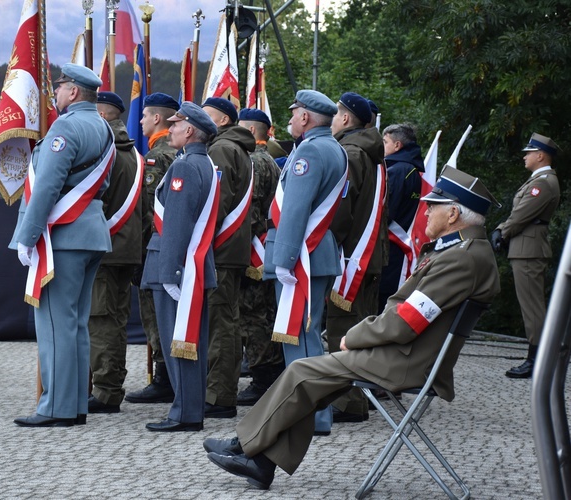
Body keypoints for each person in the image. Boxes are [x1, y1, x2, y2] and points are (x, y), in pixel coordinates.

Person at [203, 166, 501, 490]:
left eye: (434, 205)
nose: (425, 209)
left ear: (454, 213)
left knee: (302, 372)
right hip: (409, 354)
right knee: (315, 379)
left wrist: (355, 337)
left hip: (408, 361)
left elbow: (405, 322)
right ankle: (260, 460)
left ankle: (245, 446)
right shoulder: (466, 253)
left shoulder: (461, 259)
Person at [11, 63, 114, 427]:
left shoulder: (67, 126)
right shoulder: (103, 127)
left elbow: (48, 186)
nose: (55, 92)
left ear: (73, 92)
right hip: (91, 233)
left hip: (63, 236)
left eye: (60, 87)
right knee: (75, 324)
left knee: (56, 323)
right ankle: (74, 406)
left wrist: (27, 234)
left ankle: (56, 407)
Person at [264, 90, 347, 435]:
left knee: (299, 335)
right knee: (307, 333)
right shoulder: (334, 148)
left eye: (295, 112)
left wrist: (283, 260)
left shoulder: (310, 151)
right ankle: (314, 413)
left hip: (301, 255)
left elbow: (296, 209)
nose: (291, 118)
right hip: (317, 252)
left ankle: (307, 413)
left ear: (307, 118)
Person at [140, 101, 220, 432]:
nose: (169, 128)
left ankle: (184, 413)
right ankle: (188, 409)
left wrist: (170, 272)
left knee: (181, 342)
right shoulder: (205, 164)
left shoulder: (185, 167)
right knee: (189, 341)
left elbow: (175, 223)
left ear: (189, 131)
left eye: (175, 124)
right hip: (191, 264)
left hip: (176, 265)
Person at [327, 91, 387, 423]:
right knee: (360, 327)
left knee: (343, 329)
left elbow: (341, 210)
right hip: (370, 254)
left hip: (351, 256)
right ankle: (356, 400)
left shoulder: (350, 152)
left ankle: (347, 403)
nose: (333, 121)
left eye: (336, 115)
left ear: (346, 118)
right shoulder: (373, 153)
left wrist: (327, 241)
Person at [87, 91, 143, 413]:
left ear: (104, 116)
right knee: (115, 321)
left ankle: (106, 392)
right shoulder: (134, 154)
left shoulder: (104, 154)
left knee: (102, 322)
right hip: (126, 249)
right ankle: (109, 385)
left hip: (104, 251)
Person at [201, 97, 256, 419]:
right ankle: (220, 391)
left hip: (221, 250)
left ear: (221, 120)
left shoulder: (222, 150)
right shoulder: (233, 147)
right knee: (227, 321)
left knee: (221, 324)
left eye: (205, 116)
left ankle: (218, 395)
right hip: (231, 249)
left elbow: (215, 205)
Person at [125, 92, 180, 404]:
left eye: (145, 116)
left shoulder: (157, 157)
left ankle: (164, 378)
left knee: (156, 315)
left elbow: (150, 212)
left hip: (155, 250)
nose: (141, 121)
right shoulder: (173, 153)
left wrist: (140, 255)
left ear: (157, 118)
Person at [493, 133, 561, 379]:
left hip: (529, 250)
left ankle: (537, 361)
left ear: (540, 155)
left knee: (533, 308)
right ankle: (538, 358)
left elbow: (521, 215)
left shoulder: (542, 182)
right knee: (531, 306)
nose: (525, 156)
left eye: (529, 152)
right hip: (527, 249)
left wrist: (501, 231)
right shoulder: (541, 180)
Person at [235, 108, 284, 405]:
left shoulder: (253, 161)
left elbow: (251, 214)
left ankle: (263, 378)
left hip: (255, 249)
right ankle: (265, 373)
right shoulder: (268, 161)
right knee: (263, 314)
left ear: (252, 132)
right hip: (265, 246)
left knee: (254, 318)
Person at [378, 123, 425, 312]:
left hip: (389, 244)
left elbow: (386, 211)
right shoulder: (412, 170)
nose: (382, 146)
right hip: (396, 245)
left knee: (383, 298)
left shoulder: (397, 171)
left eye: (385, 142)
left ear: (397, 145)